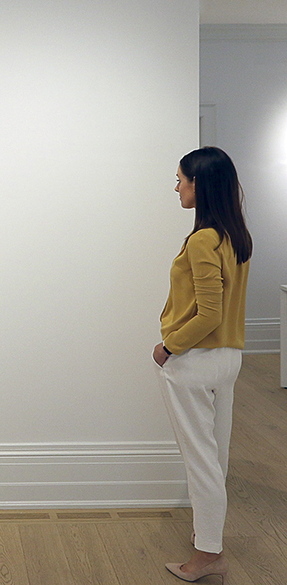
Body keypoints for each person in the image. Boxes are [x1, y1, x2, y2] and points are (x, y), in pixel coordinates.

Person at [153, 146, 252, 584]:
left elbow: (208, 313)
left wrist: (169, 346)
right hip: (228, 359)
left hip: (195, 361)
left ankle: (207, 555)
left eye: (180, 179)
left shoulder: (202, 239)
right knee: (217, 457)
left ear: (200, 184)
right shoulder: (235, 236)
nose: (176, 186)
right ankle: (209, 543)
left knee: (201, 462)